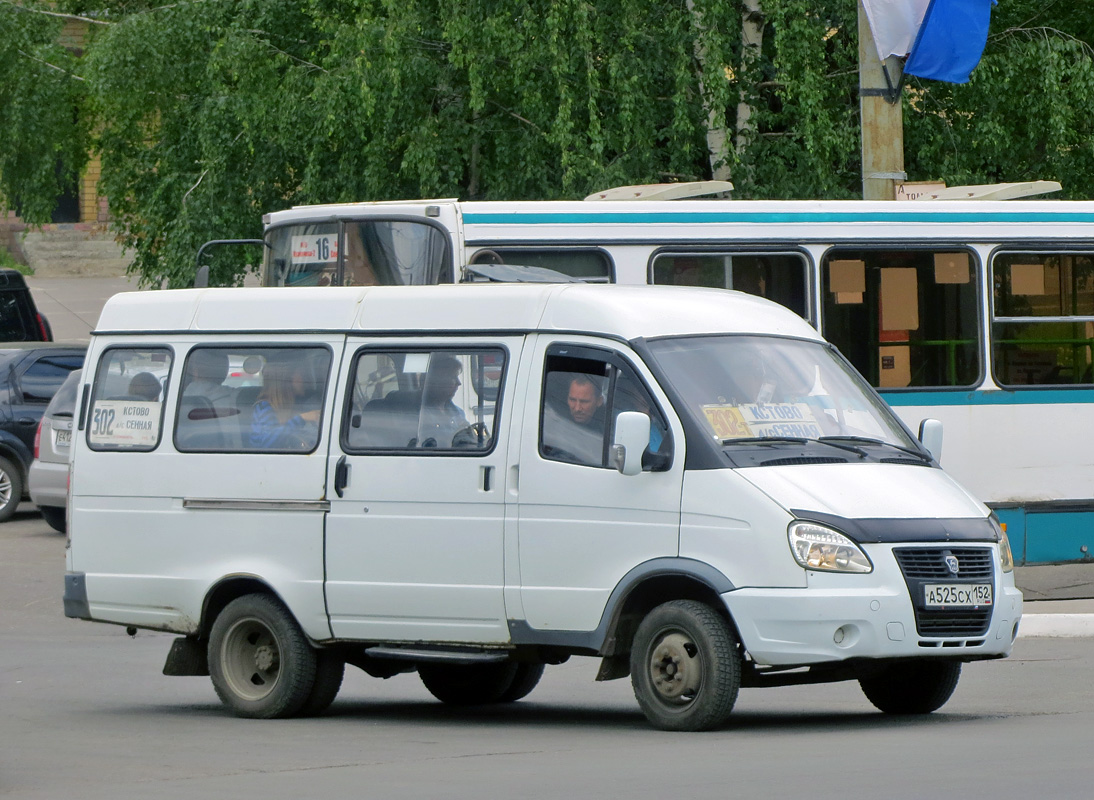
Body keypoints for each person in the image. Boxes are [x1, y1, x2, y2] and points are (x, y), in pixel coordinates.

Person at [249, 358, 321, 450]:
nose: (305, 379)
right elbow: (267, 444)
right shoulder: (264, 407)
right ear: (287, 380)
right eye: (301, 375)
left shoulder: (291, 405)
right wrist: (302, 418)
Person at [542, 372, 607, 465]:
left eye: (584, 402)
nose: (577, 408)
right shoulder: (553, 421)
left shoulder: (606, 433)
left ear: (599, 401)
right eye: (572, 400)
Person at [415, 354, 468, 447]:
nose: (459, 383)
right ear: (437, 381)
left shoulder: (457, 412)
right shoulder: (420, 414)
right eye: (453, 377)